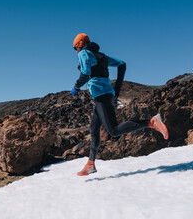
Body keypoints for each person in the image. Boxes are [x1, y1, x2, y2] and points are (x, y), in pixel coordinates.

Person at [71, 33, 168, 176]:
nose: (76, 52)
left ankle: (151, 122)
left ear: (79, 45)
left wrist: (76, 87)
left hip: (101, 95)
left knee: (113, 130)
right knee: (94, 128)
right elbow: (122, 64)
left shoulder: (84, 53)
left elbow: (85, 73)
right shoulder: (101, 56)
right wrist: (117, 88)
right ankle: (90, 164)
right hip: (107, 94)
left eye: (75, 49)